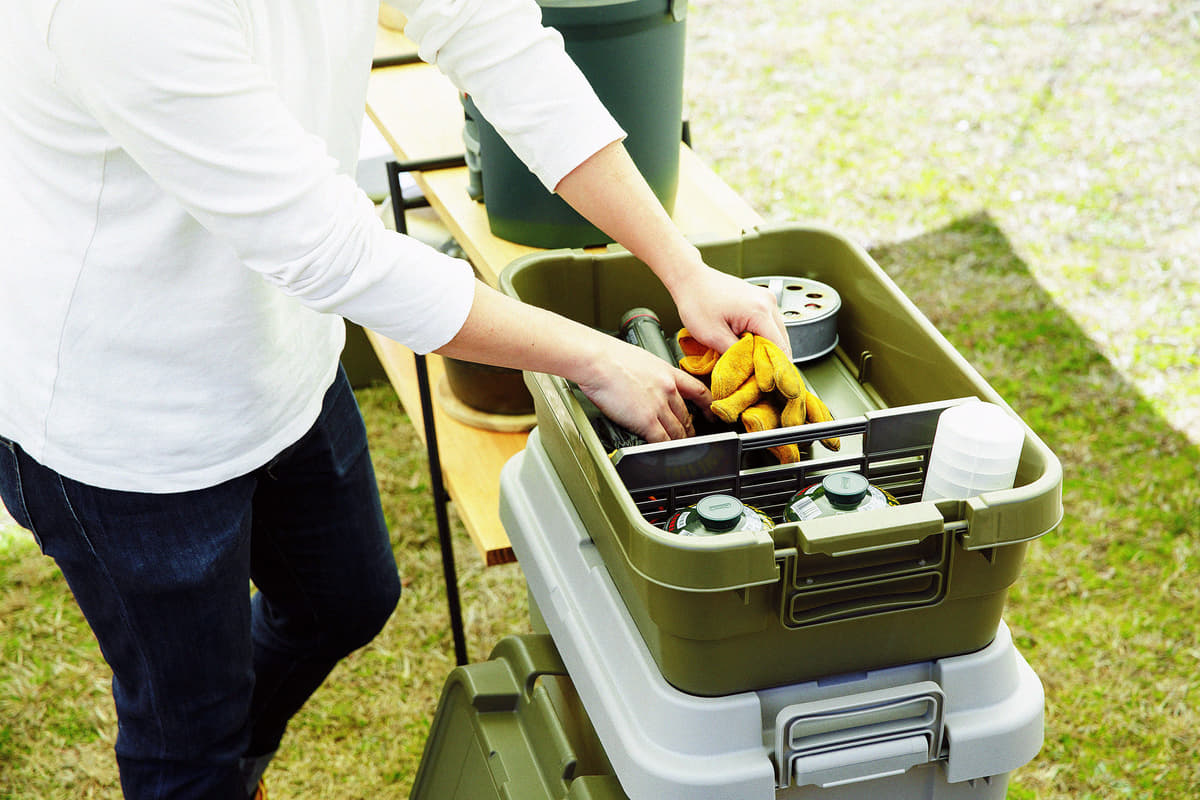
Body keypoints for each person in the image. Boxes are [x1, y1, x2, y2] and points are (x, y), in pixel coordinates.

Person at [0, 0, 788, 797]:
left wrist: (684, 269)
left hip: (278, 351)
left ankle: (226, 751)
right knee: (183, 737)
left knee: (346, 599)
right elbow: (333, 253)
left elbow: (494, 36)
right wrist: (591, 358)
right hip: (125, 421)